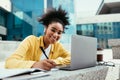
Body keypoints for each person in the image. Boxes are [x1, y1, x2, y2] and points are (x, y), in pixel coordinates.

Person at [5, 6, 71, 70]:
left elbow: (72, 58)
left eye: (59, 33)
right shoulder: (31, 41)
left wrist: (55, 62)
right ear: (45, 28)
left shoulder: (57, 46)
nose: (55, 35)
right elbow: (9, 62)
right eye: (53, 30)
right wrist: (35, 64)